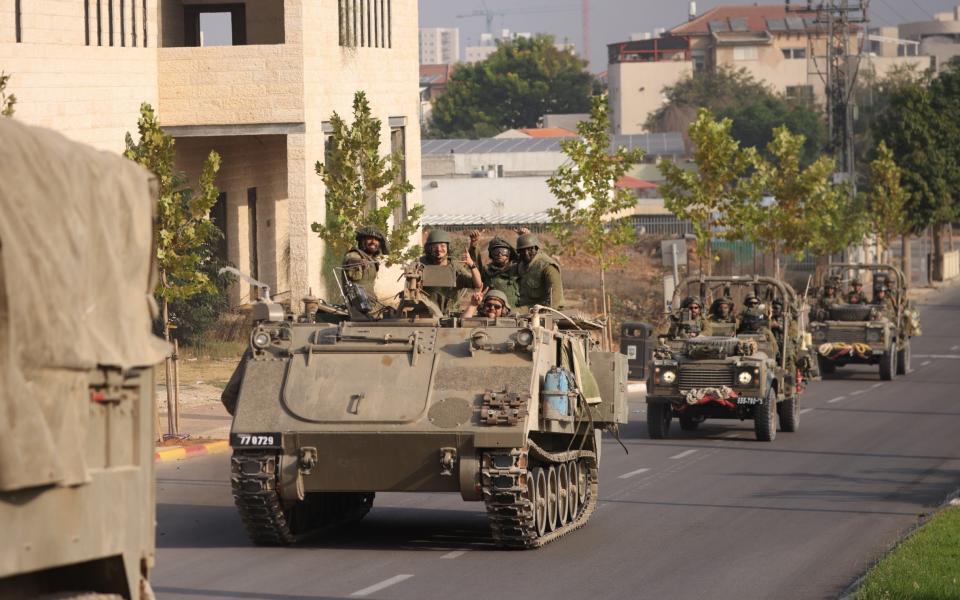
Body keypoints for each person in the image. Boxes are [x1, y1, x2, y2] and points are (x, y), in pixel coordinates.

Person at [418, 229, 483, 315]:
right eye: (435, 246)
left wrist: (472, 265)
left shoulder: (454, 266)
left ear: (448, 248)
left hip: (451, 314)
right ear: (429, 248)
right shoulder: (421, 265)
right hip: (426, 314)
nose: (439, 249)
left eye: (442, 246)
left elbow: (477, 284)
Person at [468, 231, 521, 308]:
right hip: (490, 311)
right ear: (491, 255)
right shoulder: (486, 271)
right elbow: (475, 266)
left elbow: (529, 262)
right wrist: (474, 244)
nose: (500, 254)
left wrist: (524, 237)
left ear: (509, 253)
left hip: (514, 312)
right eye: (496, 252)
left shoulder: (517, 268)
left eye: (504, 251)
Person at [516, 233, 564, 309]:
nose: (526, 253)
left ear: (536, 248)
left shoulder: (547, 266)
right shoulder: (520, 265)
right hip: (525, 310)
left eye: (530, 249)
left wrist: (543, 311)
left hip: (545, 312)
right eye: (522, 250)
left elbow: (555, 299)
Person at [341, 226, 388, 299]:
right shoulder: (354, 254)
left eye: (376, 240)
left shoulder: (372, 260)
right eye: (370, 238)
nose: (373, 242)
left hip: (371, 303)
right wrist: (359, 262)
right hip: (356, 304)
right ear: (363, 241)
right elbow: (350, 260)